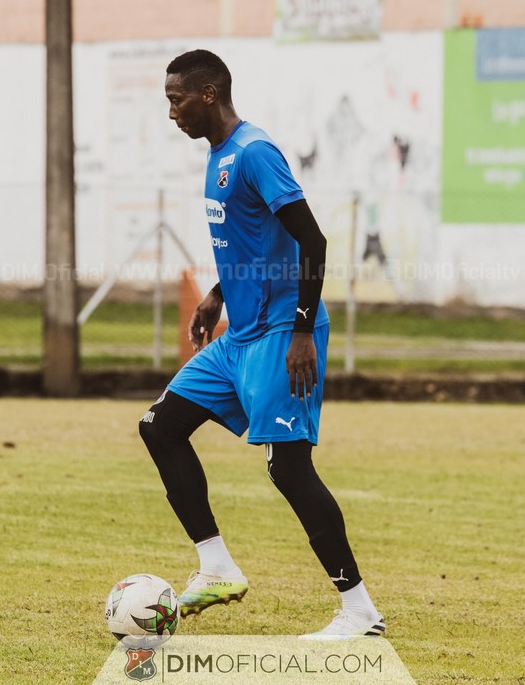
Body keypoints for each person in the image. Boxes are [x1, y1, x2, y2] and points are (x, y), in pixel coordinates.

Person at [137, 50, 384, 638]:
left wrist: (301, 329)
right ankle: (217, 567)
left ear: (208, 94)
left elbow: (312, 241)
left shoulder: (254, 152)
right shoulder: (216, 155)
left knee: (288, 468)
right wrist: (218, 293)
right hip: (239, 336)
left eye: (175, 100)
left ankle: (360, 612)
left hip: (281, 333)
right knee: (159, 428)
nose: (171, 112)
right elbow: (256, 241)